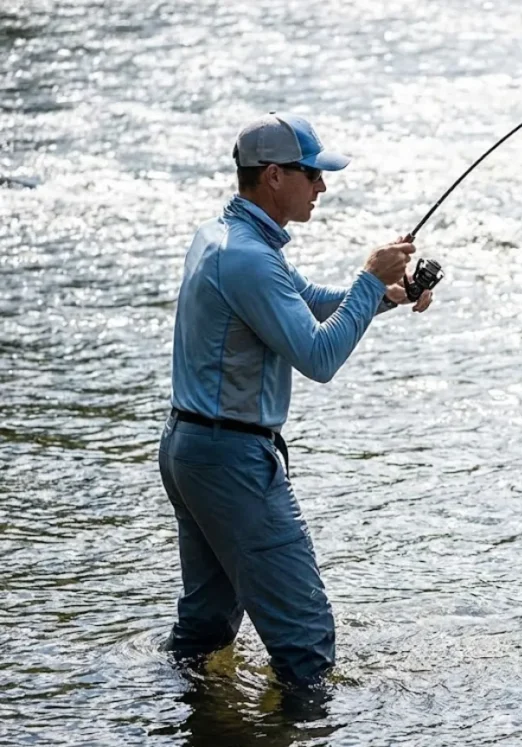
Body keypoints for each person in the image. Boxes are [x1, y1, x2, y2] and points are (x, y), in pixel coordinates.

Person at [158, 112, 433, 688]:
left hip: (191, 448)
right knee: (306, 642)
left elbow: (305, 301)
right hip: (230, 459)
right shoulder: (249, 258)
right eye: (313, 174)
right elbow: (318, 357)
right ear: (276, 175)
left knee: (206, 627)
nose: (322, 186)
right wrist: (364, 281)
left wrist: (386, 294)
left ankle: (181, 718)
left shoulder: (226, 237)